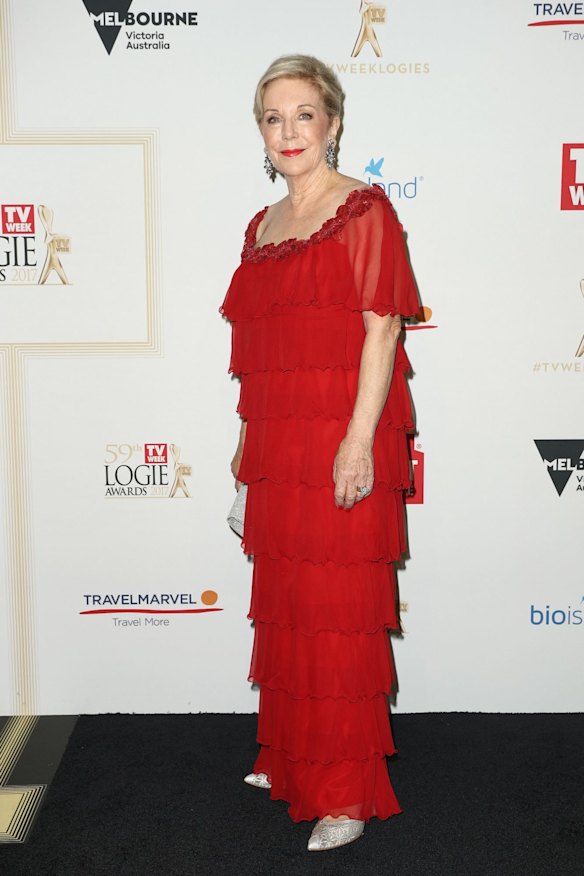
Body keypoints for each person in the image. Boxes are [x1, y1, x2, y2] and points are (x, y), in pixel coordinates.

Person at [219, 54, 419, 852]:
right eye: (274, 117)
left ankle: (344, 794)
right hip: (278, 449)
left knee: (337, 619)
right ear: (261, 135)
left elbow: (385, 327)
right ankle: (292, 753)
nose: (289, 131)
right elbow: (257, 367)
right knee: (290, 609)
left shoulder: (365, 212)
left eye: (305, 114)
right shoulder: (261, 228)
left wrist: (358, 443)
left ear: (334, 123)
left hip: (339, 442)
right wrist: (245, 469)